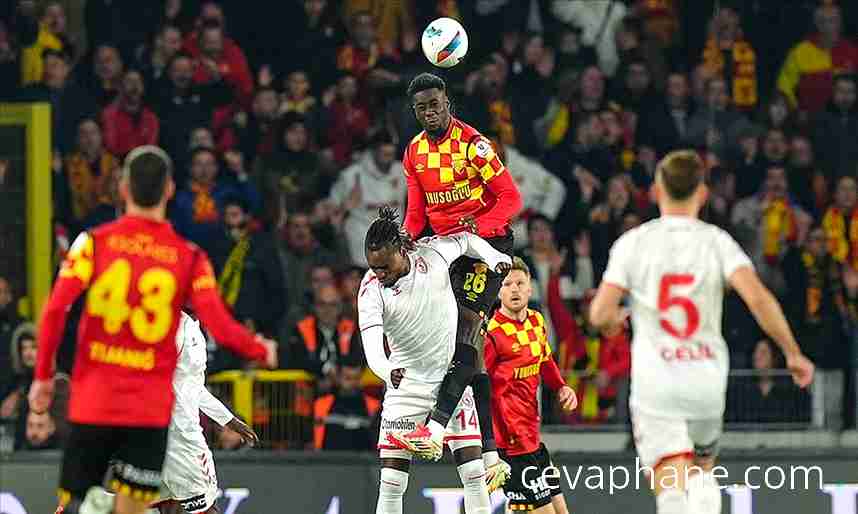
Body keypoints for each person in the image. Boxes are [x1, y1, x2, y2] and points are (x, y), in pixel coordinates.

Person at [29, 145, 277, 514]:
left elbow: (54, 310)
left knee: (88, 503)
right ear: (170, 191)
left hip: (96, 401)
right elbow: (222, 327)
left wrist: (43, 378)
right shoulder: (187, 257)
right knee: (143, 504)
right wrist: (260, 349)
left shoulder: (91, 244)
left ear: (123, 189)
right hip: (148, 413)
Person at [588, 150, 815, 514]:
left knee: (671, 484)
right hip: (707, 378)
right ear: (703, 194)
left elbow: (599, 314)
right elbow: (758, 298)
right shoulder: (717, 241)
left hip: (656, 381)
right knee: (701, 470)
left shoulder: (633, 243)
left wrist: (615, 318)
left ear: (656, 191)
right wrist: (791, 352)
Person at [398, 73, 523, 492]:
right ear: (415, 111)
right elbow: (417, 214)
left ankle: (433, 429)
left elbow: (510, 198)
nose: (430, 112)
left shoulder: (474, 145)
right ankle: (490, 454)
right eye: (422, 107)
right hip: (448, 250)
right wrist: (405, 241)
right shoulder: (414, 153)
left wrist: (480, 224)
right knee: (467, 351)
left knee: (467, 329)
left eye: (435, 104)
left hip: (487, 246)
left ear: (447, 102)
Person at [359, 207, 512, 514]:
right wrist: (387, 370)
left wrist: (491, 256)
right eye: (374, 267)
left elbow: (466, 239)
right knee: (391, 481)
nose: (379, 274)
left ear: (403, 251)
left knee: (473, 474)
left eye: (384, 266)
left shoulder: (432, 254)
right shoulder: (371, 291)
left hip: (449, 382)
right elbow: (372, 346)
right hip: (406, 385)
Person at [485, 257, 577, 514]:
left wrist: (561, 387)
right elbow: (479, 388)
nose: (514, 289)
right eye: (506, 284)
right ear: (498, 290)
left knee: (559, 510)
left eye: (519, 283)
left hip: (533, 439)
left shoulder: (537, 321)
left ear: (529, 288)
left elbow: (545, 359)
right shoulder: (492, 334)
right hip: (510, 445)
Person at [154, 312, 259, 514]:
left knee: (172, 504)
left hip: (185, 432)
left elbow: (193, 387)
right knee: (204, 507)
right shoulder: (167, 327)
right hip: (177, 437)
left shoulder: (193, 327)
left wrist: (229, 419)